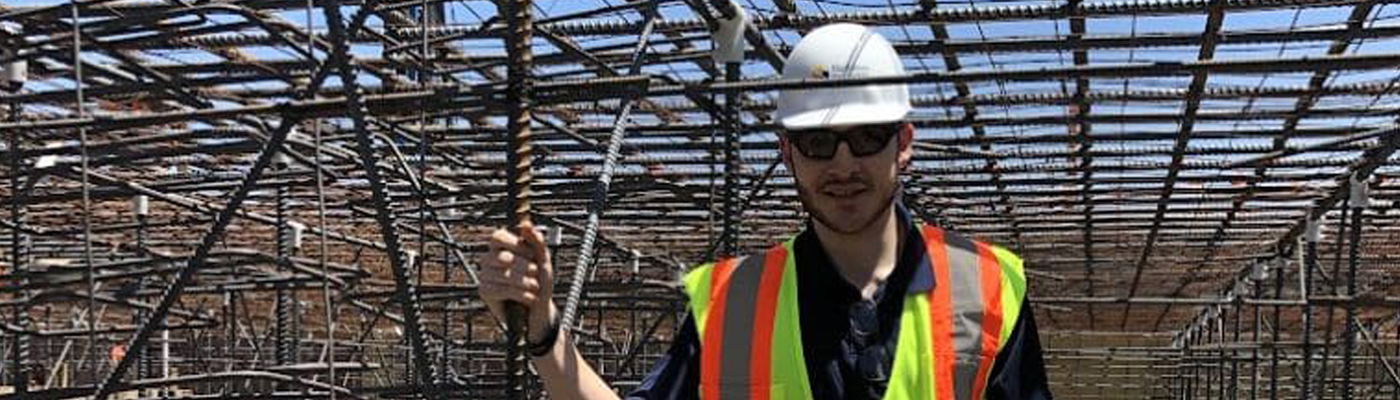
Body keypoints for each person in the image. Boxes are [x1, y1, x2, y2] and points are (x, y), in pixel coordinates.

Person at [480, 23, 1052, 400]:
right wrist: (542, 327)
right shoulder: (732, 302)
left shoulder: (985, 286)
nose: (843, 164)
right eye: (818, 143)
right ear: (787, 153)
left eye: (867, 137)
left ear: (903, 143)